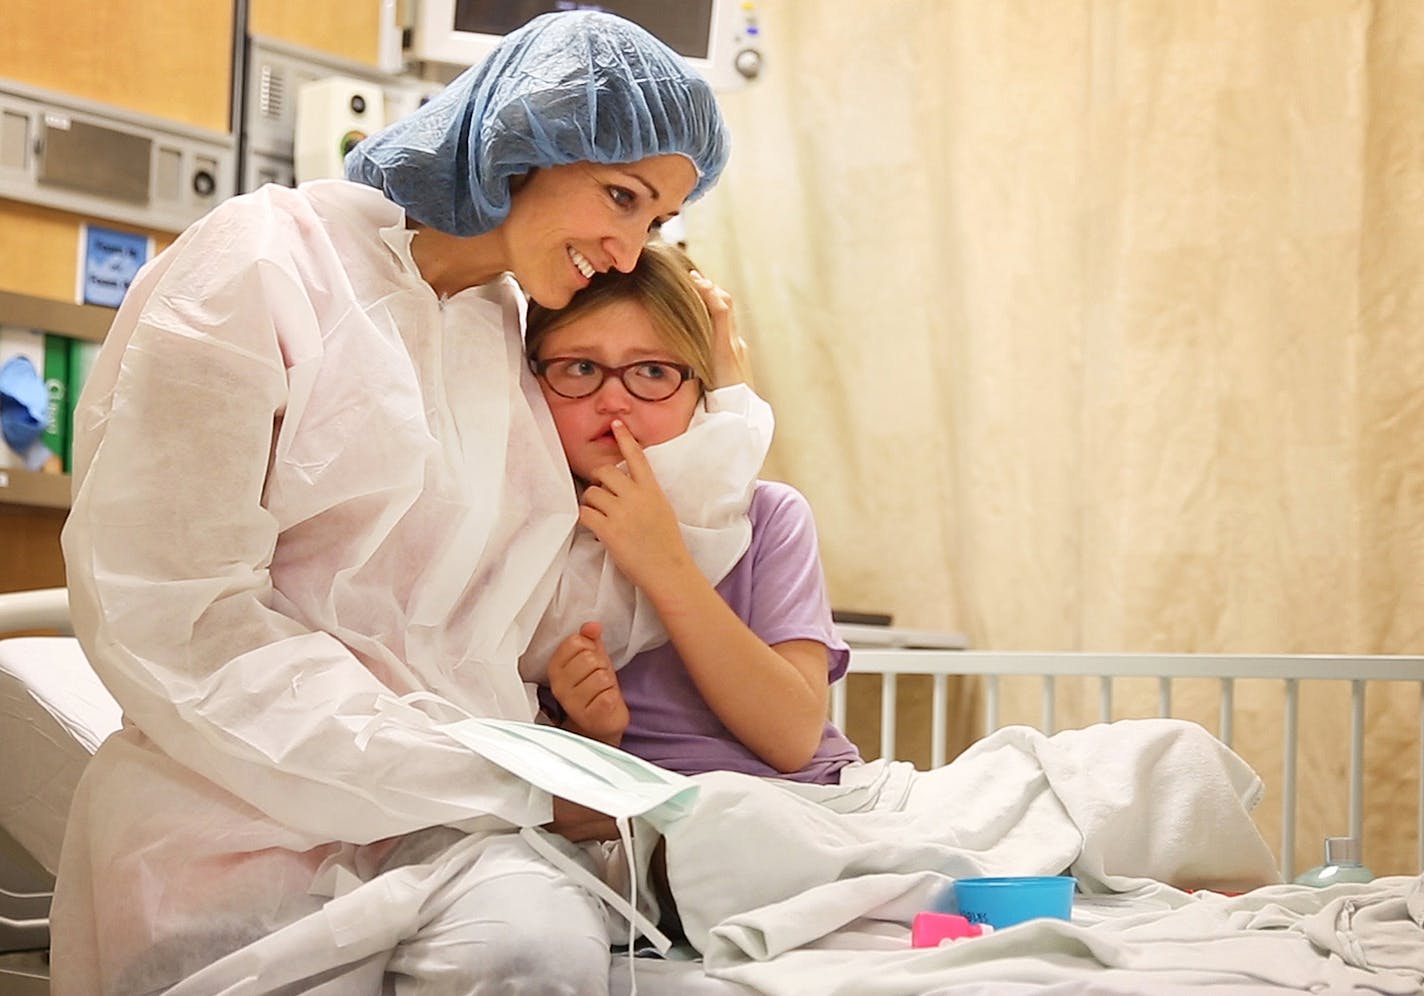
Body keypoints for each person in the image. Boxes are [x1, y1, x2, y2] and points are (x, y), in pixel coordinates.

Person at [51, 11, 729, 996]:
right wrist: (489, 772)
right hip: (230, 816)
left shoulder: (500, 336)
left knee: (535, 956)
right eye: (620, 196)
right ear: (517, 138)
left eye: (654, 221)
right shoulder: (261, 266)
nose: (627, 252)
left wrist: (718, 420)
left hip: (447, 830)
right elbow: (174, 617)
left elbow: (525, 614)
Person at [524, 241, 862, 784]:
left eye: (654, 372)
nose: (615, 402)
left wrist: (665, 563)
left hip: (800, 799)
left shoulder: (770, 518)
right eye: (580, 367)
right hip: (638, 818)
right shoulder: (516, 533)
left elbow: (794, 740)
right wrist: (593, 735)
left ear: (700, 389)